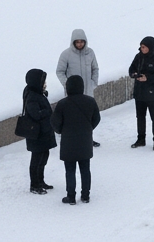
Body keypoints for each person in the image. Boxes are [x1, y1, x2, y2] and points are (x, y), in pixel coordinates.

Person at [51, 74, 100, 205]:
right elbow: (97, 119)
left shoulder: (62, 104)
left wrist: (61, 131)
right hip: (85, 141)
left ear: (68, 88)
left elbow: (55, 123)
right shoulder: (90, 101)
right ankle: (85, 195)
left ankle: (71, 197)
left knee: (70, 170)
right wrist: (88, 129)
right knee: (85, 169)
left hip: (68, 142)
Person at [22, 69, 56, 195]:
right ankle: (34, 185)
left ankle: (40, 181)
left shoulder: (36, 92)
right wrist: (49, 111)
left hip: (43, 132)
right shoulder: (32, 95)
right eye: (43, 80)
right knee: (36, 159)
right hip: (37, 134)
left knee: (44, 156)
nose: (45, 83)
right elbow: (35, 114)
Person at [128, 36, 154, 149]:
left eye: (144, 47)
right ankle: (141, 139)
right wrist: (134, 74)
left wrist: (147, 78)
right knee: (140, 117)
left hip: (152, 94)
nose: (142, 49)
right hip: (139, 93)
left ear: (150, 47)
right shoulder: (138, 57)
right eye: (141, 46)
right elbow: (131, 68)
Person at [56, 30, 99, 97]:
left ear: (85, 41)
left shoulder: (90, 53)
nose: (79, 44)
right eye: (77, 42)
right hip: (72, 94)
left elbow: (95, 69)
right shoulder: (66, 54)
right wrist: (67, 84)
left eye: (81, 41)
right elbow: (60, 71)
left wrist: (93, 83)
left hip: (88, 93)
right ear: (73, 42)